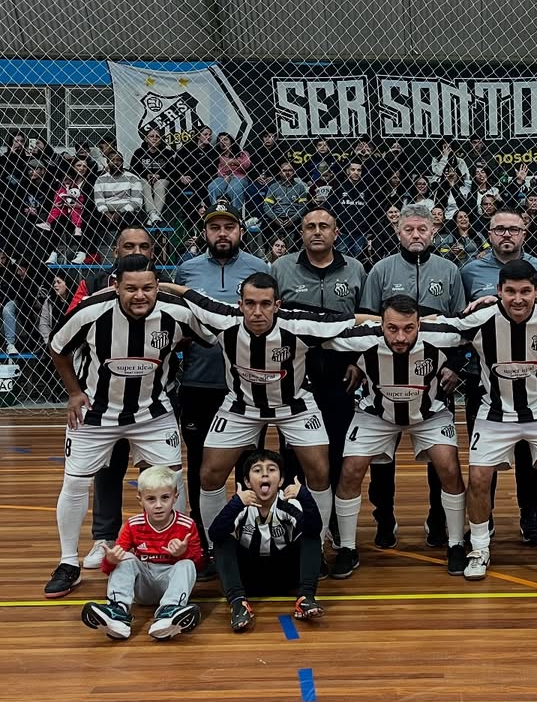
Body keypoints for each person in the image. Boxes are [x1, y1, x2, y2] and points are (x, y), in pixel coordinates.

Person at [162, 272, 362, 559]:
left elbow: (353, 320)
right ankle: (215, 548)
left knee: (319, 471)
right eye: (251, 304)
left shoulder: (299, 323)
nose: (258, 312)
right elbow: (189, 295)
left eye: (266, 304)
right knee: (210, 473)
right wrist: (160, 284)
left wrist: (405, 321)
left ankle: (314, 548)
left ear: (277, 304)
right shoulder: (223, 318)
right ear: (240, 304)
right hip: (241, 406)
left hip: (294, 406)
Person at [44, 254, 209, 598]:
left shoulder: (176, 313)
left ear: (157, 287)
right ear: (115, 286)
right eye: (131, 288)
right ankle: (68, 563)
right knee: (74, 482)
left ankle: (171, 553)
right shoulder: (92, 312)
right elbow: (57, 347)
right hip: (95, 412)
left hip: (153, 412)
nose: (140, 295)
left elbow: (208, 335)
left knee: (171, 481)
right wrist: (74, 392)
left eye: (148, 288)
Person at [321, 297, 470, 578]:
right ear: (380, 324)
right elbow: (321, 335)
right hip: (377, 415)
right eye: (392, 328)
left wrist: (457, 365)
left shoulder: (442, 334)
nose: (400, 337)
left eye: (408, 329)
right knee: (350, 469)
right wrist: (354, 341)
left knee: (449, 467)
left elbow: (476, 333)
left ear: (419, 325)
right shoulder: (363, 337)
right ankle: (347, 549)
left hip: (429, 414)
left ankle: (456, 544)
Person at [359, 204, 464, 549]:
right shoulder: (380, 270)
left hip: (431, 379)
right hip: (384, 380)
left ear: (434, 231)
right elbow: (364, 319)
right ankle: (384, 519)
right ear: (397, 231)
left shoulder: (448, 270)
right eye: (409, 230)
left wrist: (455, 366)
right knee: (381, 457)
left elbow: (460, 325)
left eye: (423, 229)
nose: (416, 235)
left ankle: (438, 522)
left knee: (440, 458)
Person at [461, 208, 537, 546]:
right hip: (485, 375)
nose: (507, 235)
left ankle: (530, 516)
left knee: (528, 456)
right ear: (489, 234)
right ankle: (483, 521)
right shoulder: (470, 270)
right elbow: (461, 319)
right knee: (484, 458)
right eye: (499, 229)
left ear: (524, 232)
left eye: (514, 229)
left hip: (532, 373)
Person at [269, 207, 368, 547]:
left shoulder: (354, 268)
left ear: (336, 232)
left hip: (343, 373)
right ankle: (295, 517)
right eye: (309, 226)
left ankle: (336, 525)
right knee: (296, 450)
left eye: (324, 226)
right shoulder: (282, 268)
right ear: (301, 232)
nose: (317, 231)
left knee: (339, 447)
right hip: (296, 372)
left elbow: (364, 321)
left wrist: (358, 361)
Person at [173, 208, 265, 553]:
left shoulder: (259, 268)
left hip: (248, 386)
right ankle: (206, 540)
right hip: (199, 381)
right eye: (215, 227)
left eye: (229, 227)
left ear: (241, 230)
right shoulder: (187, 269)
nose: (222, 233)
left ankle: (250, 534)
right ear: (205, 232)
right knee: (200, 463)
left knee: (250, 465)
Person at [80, 465, 203, 641]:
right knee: (126, 558)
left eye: (165, 498)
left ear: (175, 497)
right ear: (140, 500)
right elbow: (109, 568)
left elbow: (198, 565)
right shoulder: (133, 524)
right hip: (142, 588)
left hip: (171, 585)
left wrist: (183, 553)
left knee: (187, 564)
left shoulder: (186, 525)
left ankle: (169, 612)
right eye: (151, 499)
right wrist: (110, 560)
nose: (158, 505)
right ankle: (118, 612)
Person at [208, 449, 325, 631]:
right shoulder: (241, 505)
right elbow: (214, 535)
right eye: (257, 470)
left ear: (280, 480)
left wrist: (304, 496)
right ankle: (239, 603)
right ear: (247, 481)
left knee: (310, 535)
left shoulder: (288, 503)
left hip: (285, 576)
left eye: (271, 469)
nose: (264, 474)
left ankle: (305, 598)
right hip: (249, 579)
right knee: (223, 539)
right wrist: (235, 503)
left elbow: (314, 530)